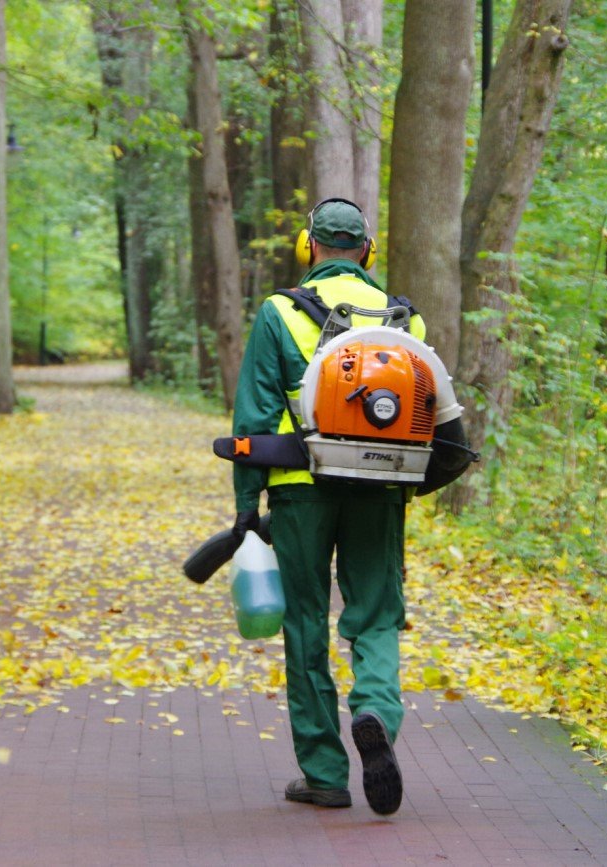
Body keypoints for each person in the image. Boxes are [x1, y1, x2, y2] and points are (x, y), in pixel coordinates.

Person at [230, 198, 425, 816]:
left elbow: (254, 418)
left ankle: (324, 774)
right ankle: (375, 712)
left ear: (306, 245)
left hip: (299, 489)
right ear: (369, 249)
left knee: (305, 623)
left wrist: (244, 510)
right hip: (380, 490)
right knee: (375, 614)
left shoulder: (279, 312)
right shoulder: (405, 323)